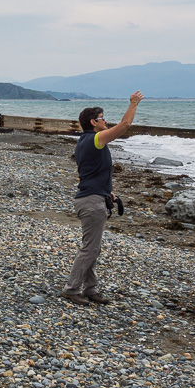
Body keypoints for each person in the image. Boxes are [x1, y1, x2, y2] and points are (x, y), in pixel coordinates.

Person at [61, 91, 144, 306]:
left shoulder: (85, 142)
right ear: (93, 122)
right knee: (90, 248)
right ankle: (71, 289)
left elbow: (89, 172)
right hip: (90, 202)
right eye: (102, 118)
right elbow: (124, 125)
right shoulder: (96, 139)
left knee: (92, 247)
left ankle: (90, 289)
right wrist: (134, 104)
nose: (105, 121)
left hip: (92, 198)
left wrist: (107, 192)